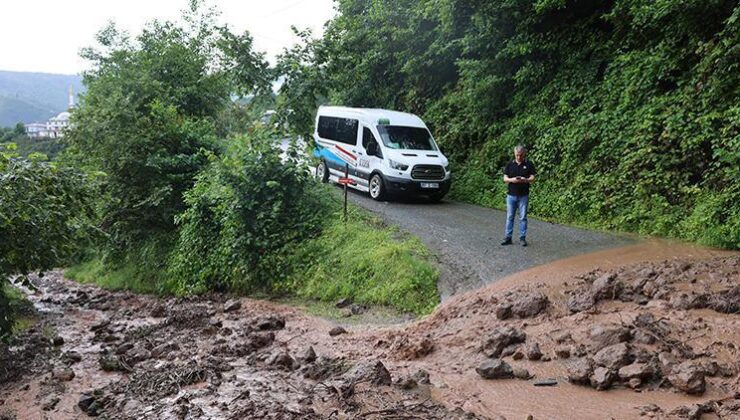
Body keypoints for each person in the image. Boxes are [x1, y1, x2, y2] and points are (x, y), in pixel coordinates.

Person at [501, 145, 536, 247]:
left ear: (524, 154)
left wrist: (525, 180)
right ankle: (508, 237)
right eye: (517, 155)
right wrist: (513, 180)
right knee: (510, 217)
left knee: (523, 217)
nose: (519, 157)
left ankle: (522, 238)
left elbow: (533, 177)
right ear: (514, 154)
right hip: (511, 195)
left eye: (520, 155)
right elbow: (505, 178)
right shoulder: (510, 165)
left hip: (523, 195)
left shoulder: (529, 164)